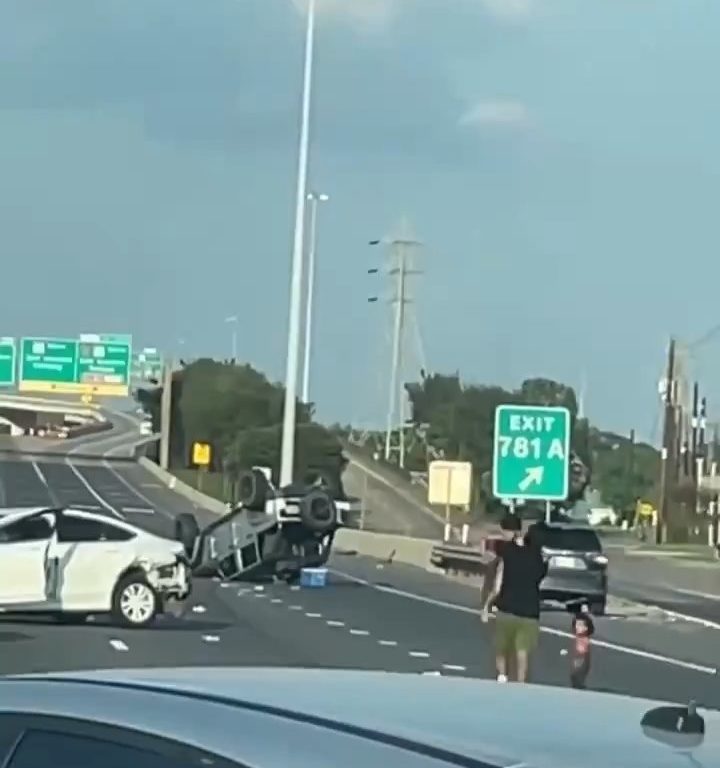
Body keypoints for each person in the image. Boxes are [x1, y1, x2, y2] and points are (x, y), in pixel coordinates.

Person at [480, 513, 547, 683]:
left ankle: (502, 676)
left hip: (507, 609)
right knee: (522, 651)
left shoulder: (507, 552)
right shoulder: (538, 559)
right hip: (530, 611)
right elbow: (539, 577)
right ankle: (521, 682)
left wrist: (487, 605)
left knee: (501, 647)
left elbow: (498, 584)